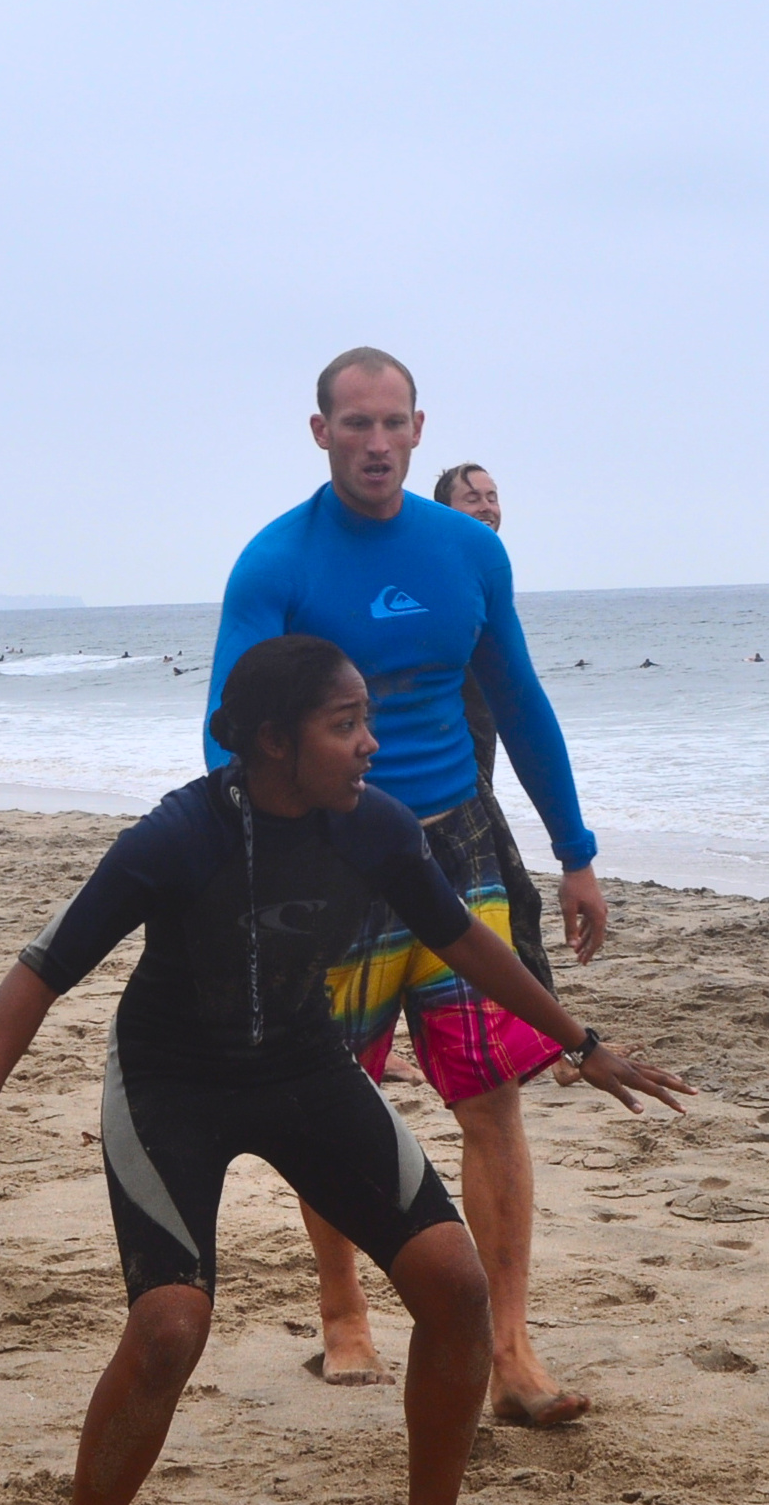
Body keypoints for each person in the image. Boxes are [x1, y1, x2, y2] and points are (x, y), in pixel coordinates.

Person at [0, 637, 689, 1505]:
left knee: (454, 1283)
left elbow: (464, 940)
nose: (370, 744)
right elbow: (40, 970)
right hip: (171, 1082)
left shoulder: (375, 827)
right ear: (274, 740)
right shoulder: (176, 837)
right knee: (170, 1326)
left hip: (305, 1064)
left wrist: (579, 1041)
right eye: (345, 725)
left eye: (367, 721)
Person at [205, 347, 611, 1424]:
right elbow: (226, 730)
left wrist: (574, 852)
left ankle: (509, 1349)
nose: (376, 443)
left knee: (490, 1097)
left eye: (393, 424)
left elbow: (518, 699)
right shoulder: (275, 564)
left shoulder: (467, 552)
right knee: (331, 1097)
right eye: (355, 424)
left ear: (419, 429)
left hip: (456, 846)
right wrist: (251, 867)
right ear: (321, 432)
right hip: (330, 850)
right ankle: (342, 1307)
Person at [432, 461, 554, 996]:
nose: (486, 506)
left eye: (492, 496)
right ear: (443, 512)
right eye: (472, 498)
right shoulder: (441, 577)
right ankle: (547, 1029)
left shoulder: (483, 577)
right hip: (450, 770)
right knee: (516, 898)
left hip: (474, 766)